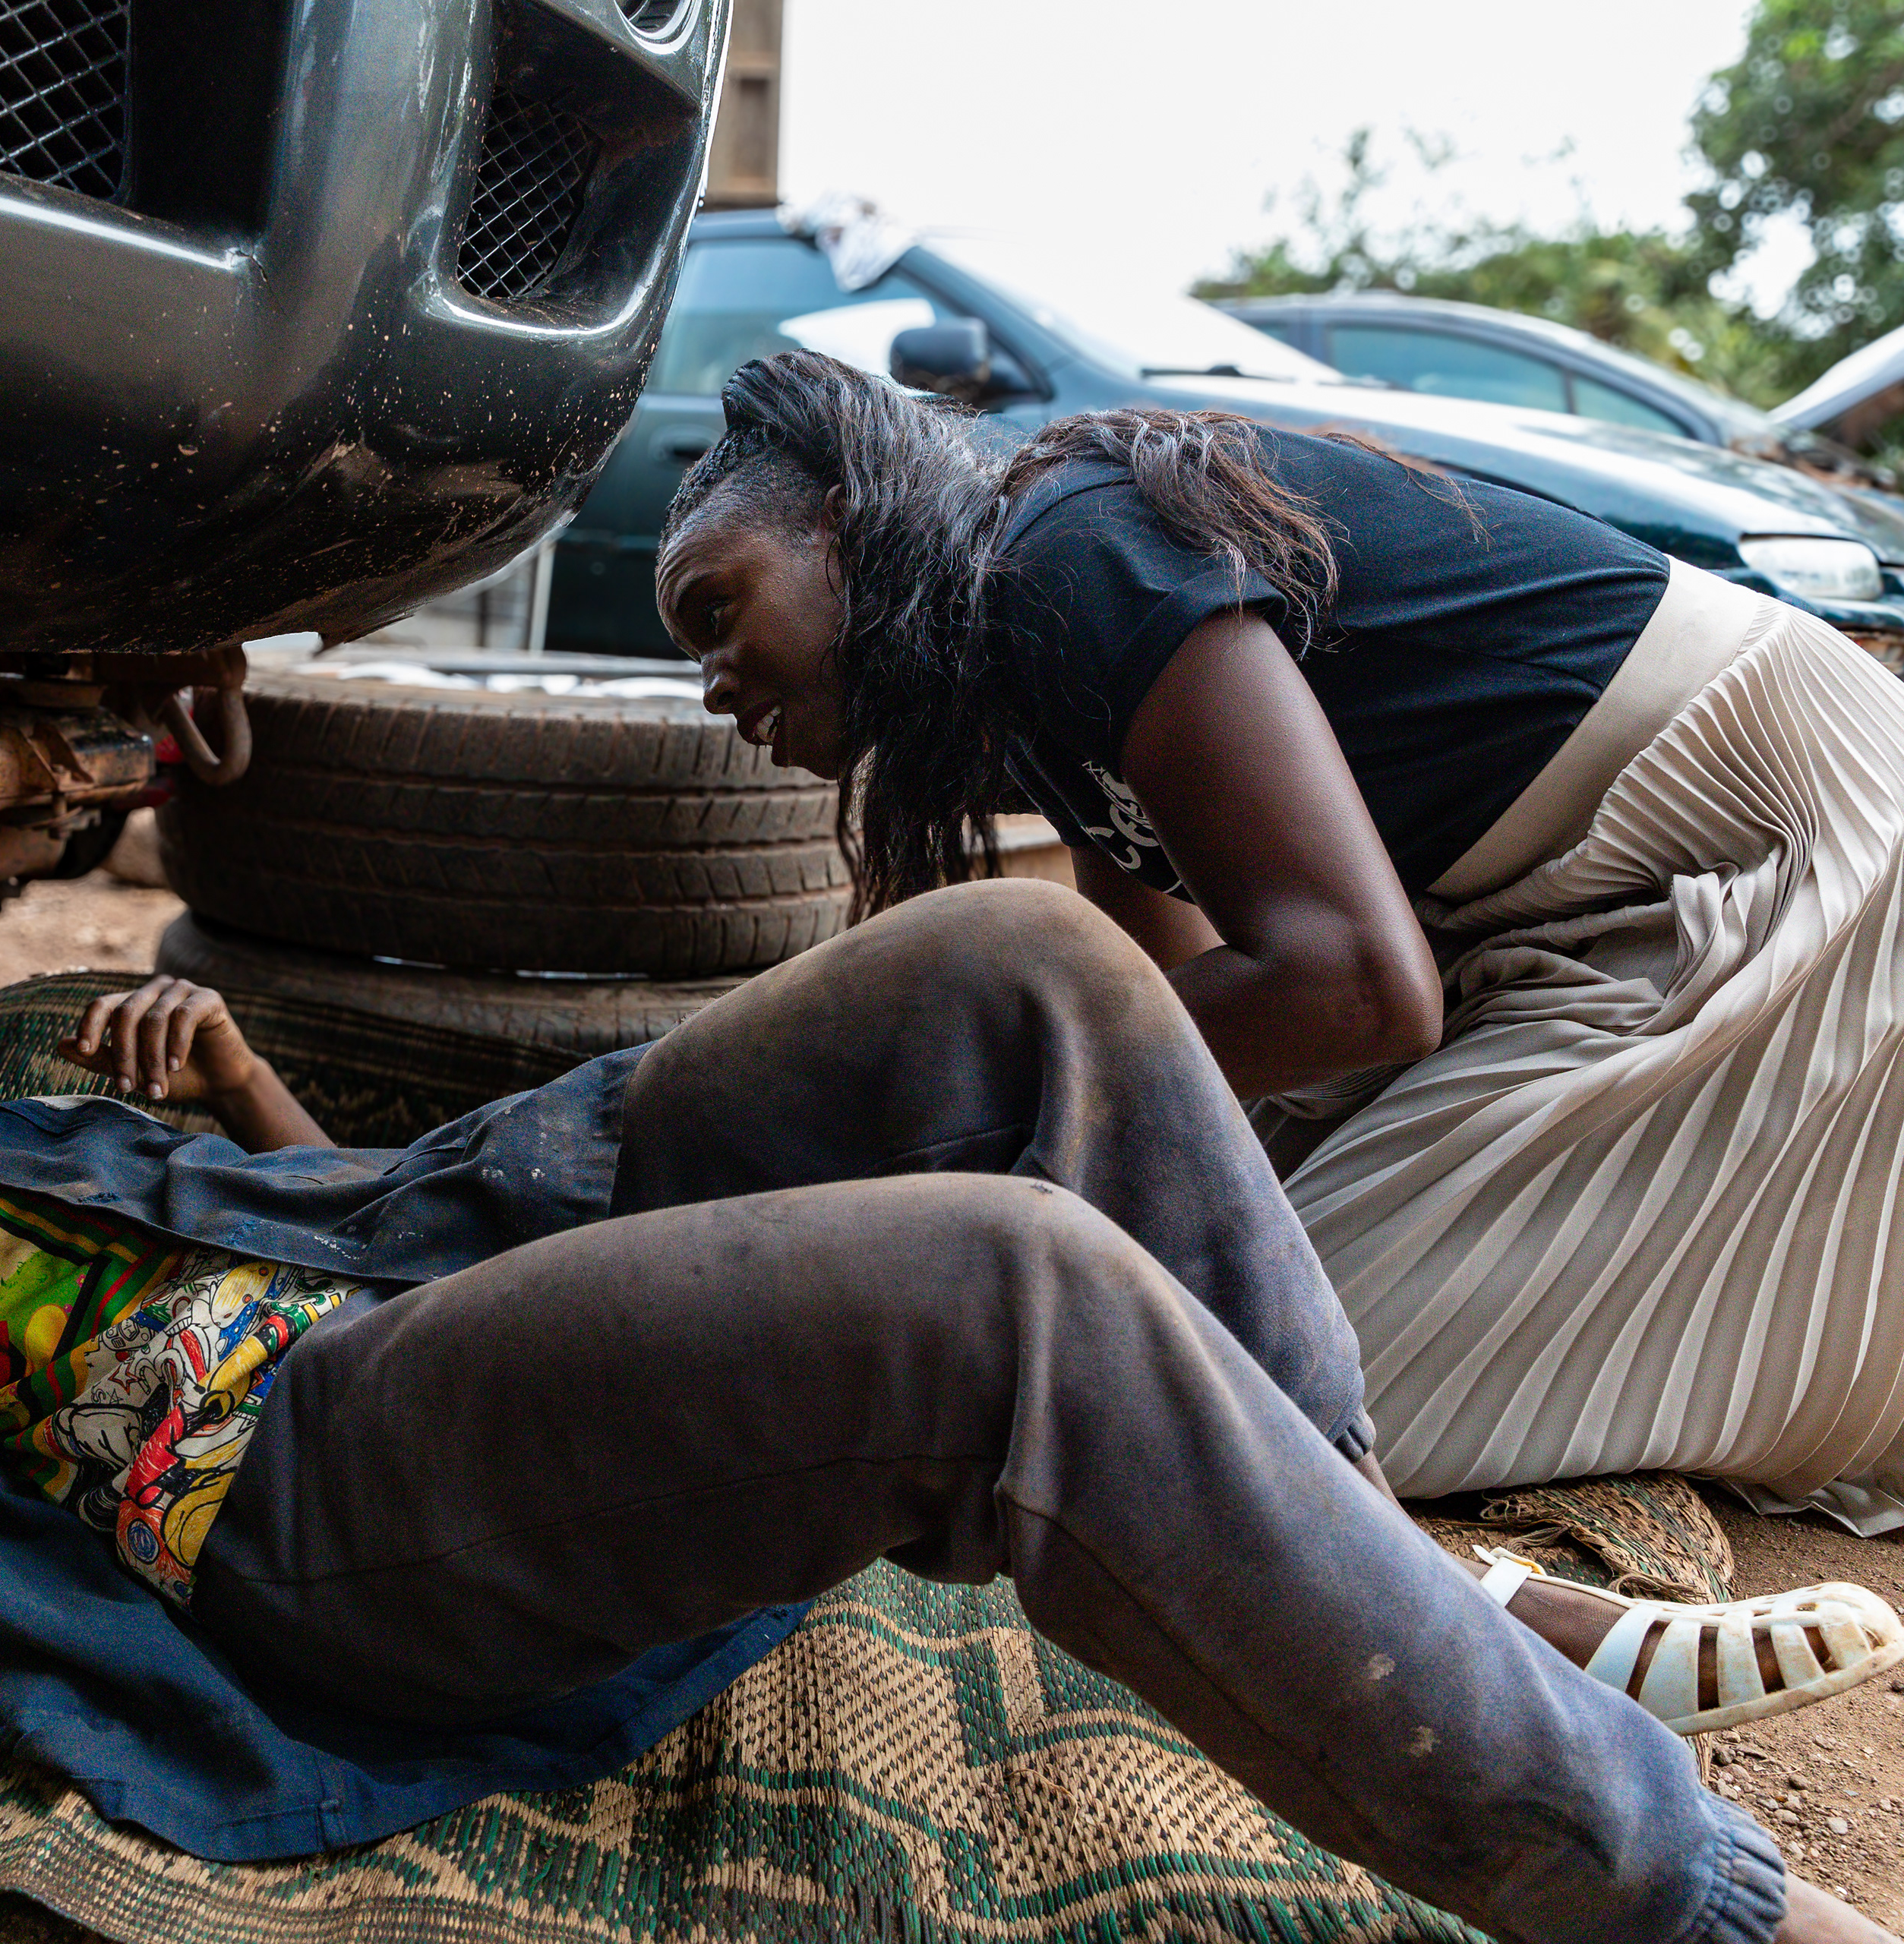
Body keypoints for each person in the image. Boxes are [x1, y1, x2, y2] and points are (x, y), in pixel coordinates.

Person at [0, 903, 1899, 1944]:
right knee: (1010, 1307)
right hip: (308, 1487)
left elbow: (348, 1246)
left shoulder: (33, 1128)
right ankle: (1677, 1899)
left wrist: (228, 1090)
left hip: (462, 1238)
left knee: (1039, 967)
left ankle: (1401, 1565)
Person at [657, 349, 1904, 1517]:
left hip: (1776, 848)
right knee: (1192, 1304)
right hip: (1550, 921)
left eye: (717, 609)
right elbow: (1159, 1005)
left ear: (836, 523)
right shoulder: (1017, 674)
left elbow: (1353, 990)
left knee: (1232, 1394)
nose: (713, 682)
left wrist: (942, 1123)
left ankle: (1523, 1630)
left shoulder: (1066, 553)